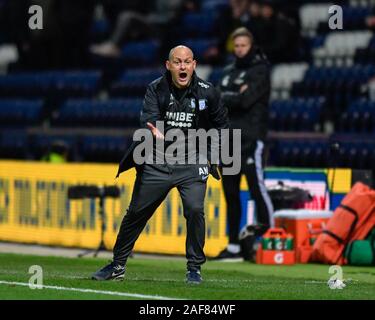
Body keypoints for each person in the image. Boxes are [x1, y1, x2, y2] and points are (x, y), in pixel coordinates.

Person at [92, 45, 229, 284]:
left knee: (195, 210)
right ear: (169, 66)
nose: (183, 66)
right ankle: (118, 265)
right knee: (135, 213)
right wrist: (152, 130)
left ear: (194, 65)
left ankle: (194, 269)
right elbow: (149, 120)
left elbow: (222, 126)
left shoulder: (209, 92)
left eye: (187, 62)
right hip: (157, 161)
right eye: (177, 62)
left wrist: (211, 156)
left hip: (192, 162)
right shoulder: (155, 89)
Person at [212, 27, 274, 261]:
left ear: (251, 46)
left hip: (251, 137)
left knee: (257, 189)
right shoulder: (227, 71)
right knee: (230, 193)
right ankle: (234, 246)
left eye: (243, 46)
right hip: (229, 139)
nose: (239, 50)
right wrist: (232, 95)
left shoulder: (260, 71)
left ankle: (267, 238)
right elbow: (216, 100)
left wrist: (228, 96)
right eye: (236, 46)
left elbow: (246, 101)